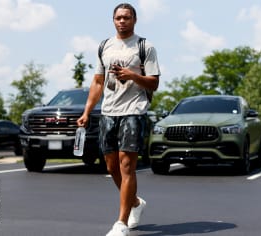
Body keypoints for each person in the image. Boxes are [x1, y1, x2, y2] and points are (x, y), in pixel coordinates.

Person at [76, 3, 160, 236]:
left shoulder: (145, 47)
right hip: (109, 112)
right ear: (113, 20)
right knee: (111, 166)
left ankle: (121, 223)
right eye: (118, 18)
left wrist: (132, 75)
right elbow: (97, 82)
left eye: (126, 17)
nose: (122, 21)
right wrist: (86, 111)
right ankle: (135, 203)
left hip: (134, 111)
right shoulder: (105, 46)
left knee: (126, 166)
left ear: (134, 20)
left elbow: (154, 82)